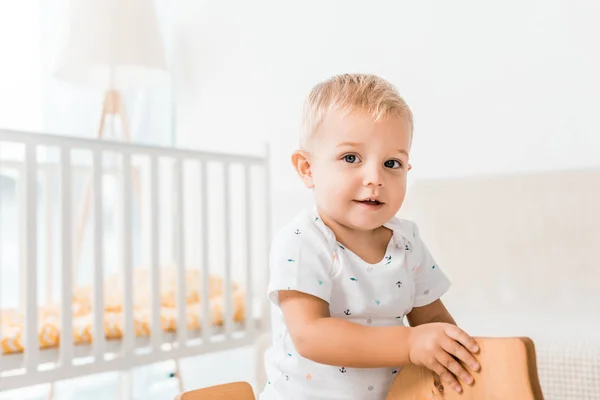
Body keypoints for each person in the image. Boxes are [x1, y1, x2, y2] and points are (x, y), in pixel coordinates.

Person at [259, 73, 480, 400]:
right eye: (351, 158)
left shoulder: (407, 242)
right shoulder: (303, 240)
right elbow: (310, 335)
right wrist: (409, 344)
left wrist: (455, 355)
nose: (375, 178)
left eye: (392, 163)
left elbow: (431, 317)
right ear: (307, 169)